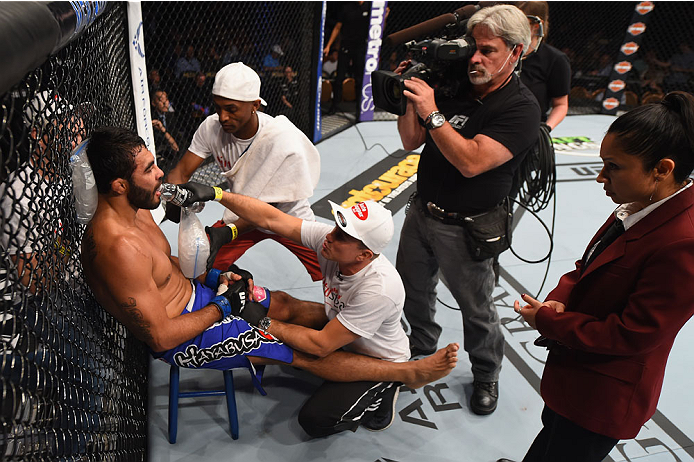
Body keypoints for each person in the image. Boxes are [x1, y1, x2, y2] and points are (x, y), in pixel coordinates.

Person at [79, 126, 459, 436]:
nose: (162, 172)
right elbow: (161, 337)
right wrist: (225, 307)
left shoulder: (138, 211)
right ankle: (405, 372)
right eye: (148, 169)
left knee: (277, 302)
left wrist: (214, 275)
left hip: (199, 298)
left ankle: (357, 337)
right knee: (305, 351)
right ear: (118, 185)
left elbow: (167, 267)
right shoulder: (118, 248)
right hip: (184, 333)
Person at [500, 91, 694, 462]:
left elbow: (632, 334)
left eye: (613, 167)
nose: (601, 177)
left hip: (603, 396)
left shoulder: (683, 242)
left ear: (662, 169)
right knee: (552, 438)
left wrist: (549, 321)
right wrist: (561, 297)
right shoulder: (641, 203)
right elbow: (586, 267)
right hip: (575, 374)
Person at [174, 180, 420, 436]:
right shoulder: (331, 242)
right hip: (343, 328)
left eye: (343, 236)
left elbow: (321, 345)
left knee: (316, 419)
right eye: (337, 227)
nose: (330, 236)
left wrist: (263, 322)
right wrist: (218, 194)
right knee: (284, 315)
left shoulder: (378, 289)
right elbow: (271, 219)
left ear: (364, 256)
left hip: (376, 357)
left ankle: (386, 385)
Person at [395, 4, 540, 416]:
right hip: (422, 213)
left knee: (477, 309)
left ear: (516, 52)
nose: (475, 58)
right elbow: (410, 140)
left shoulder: (521, 107)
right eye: (472, 48)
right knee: (414, 293)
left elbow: (471, 161)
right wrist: (413, 93)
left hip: (468, 227)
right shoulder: (458, 84)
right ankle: (421, 353)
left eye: (488, 51)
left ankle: (486, 372)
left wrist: (432, 111)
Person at [165, 62, 323, 281]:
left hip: (284, 215)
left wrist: (228, 232)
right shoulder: (211, 127)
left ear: (255, 105)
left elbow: (269, 209)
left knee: (334, 264)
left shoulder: (281, 138)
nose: (222, 117)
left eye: (231, 109)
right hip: (242, 212)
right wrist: (169, 199)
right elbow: (181, 171)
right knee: (198, 265)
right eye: (218, 107)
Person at [1, 91, 84, 293]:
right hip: (44, 304)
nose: (79, 138)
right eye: (69, 131)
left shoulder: (75, 175)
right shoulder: (16, 193)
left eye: (80, 129)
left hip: (80, 284)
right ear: (37, 134)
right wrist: (67, 241)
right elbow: (33, 283)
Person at [517, 1, 570, 131]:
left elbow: (561, 104)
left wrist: (545, 129)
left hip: (529, 128)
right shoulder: (503, 51)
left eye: (519, 23)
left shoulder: (555, 59)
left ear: (535, 25)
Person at [323, 1, 370, 114]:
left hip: (360, 47)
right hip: (346, 45)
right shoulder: (346, 7)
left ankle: (360, 108)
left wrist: (385, 18)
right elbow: (337, 27)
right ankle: (334, 106)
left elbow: (377, 28)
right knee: (339, 77)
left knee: (359, 79)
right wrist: (329, 45)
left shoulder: (370, 7)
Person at [150, 90, 181, 172]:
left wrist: (163, 130)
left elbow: (176, 146)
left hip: (170, 149)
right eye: (160, 100)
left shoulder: (170, 116)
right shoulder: (151, 118)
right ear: (154, 103)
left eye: (166, 99)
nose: (164, 103)